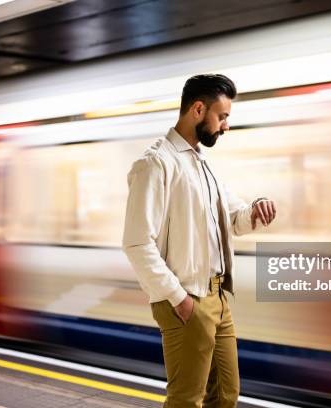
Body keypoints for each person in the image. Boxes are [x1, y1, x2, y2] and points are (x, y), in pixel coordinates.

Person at [122, 74, 276, 407]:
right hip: (188, 300)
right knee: (186, 400)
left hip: (218, 297)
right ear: (197, 109)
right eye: (222, 117)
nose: (225, 126)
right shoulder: (156, 164)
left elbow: (234, 219)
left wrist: (256, 209)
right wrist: (179, 298)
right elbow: (137, 243)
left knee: (225, 395)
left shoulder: (202, 165)